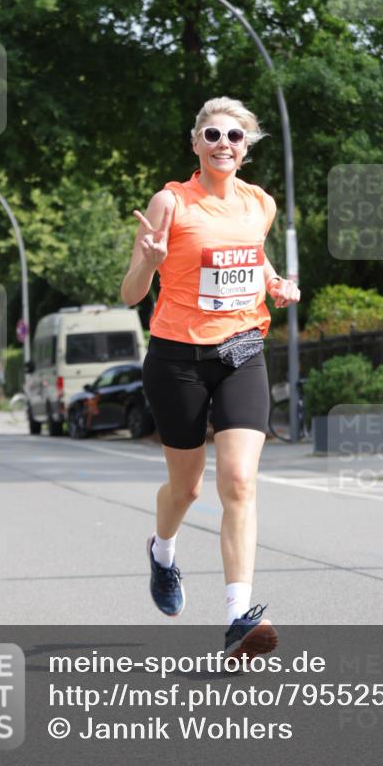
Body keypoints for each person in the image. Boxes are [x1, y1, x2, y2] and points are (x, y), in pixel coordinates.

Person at [121, 96, 300, 660]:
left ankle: (237, 618)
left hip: (243, 349)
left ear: (246, 151)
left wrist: (276, 283)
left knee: (240, 481)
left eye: (236, 137)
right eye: (214, 134)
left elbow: (252, 253)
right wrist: (149, 260)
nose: (225, 143)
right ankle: (163, 551)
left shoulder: (260, 204)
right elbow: (130, 294)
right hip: (177, 358)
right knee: (188, 487)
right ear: (196, 143)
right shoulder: (171, 203)